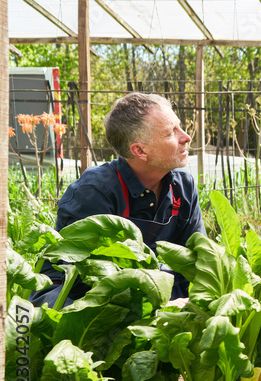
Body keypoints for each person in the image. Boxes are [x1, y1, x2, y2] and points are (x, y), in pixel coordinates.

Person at [33, 92, 203, 305]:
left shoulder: (184, 187)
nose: (186, 137)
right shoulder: (95, 191)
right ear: (140, 150)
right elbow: (93, 278)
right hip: (79, 301)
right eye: (171, 132)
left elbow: (199, 260)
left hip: (153, 296)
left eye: (179, 126)